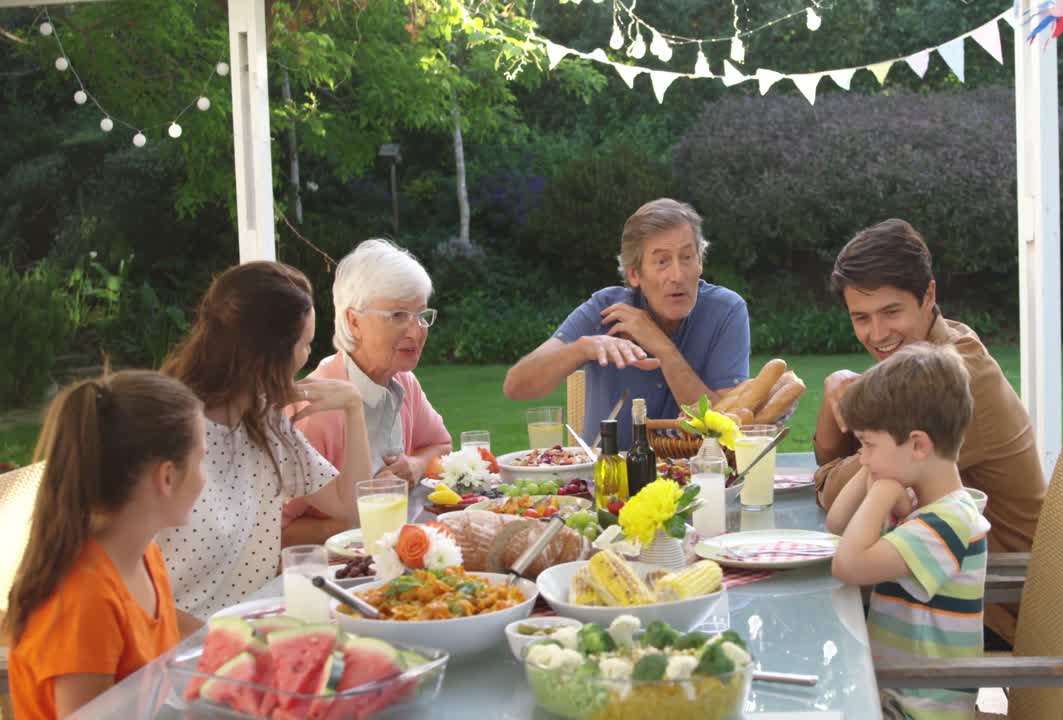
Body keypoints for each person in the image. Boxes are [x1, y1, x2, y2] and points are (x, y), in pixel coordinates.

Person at [813, 219, 1045, 645]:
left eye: (891, 312)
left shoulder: (952, 377)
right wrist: (836, 392)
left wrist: (842, 461)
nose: (877, 334)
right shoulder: (922, 361)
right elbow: (846, 472)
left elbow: (834, 488)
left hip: (991, 602)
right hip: (934, 579)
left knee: (809, 616)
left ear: (929, 297)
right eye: (860, 318)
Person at [157, 261, 371, 619]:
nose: (306, 356)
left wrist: (353, 407)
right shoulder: (166, 430)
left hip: (256, 621)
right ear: (267, 357)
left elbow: (349, 509)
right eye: (303, 345)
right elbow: (129, 586)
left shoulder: (264, 419)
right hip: (178, 645)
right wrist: (214, 639)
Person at [6, 371, 207, 719]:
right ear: (167, 477)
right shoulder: (84, 603)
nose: (205, 476)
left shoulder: (144, 555)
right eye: (201, 460)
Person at [503, 198, 750, 448]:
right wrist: (582, 348)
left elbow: (726, 430)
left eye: (687, 257)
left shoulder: (726, 311)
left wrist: (662, 348)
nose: (678, 275)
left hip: (700, 478)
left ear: (700, 262)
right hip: (610, 479)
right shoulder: (605, 309)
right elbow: (516, 387)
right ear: (634, 274)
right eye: (662, 261)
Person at [826, 343, 990, 720]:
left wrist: (882, 491)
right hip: (889, 691)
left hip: (916, 708)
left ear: (918, 444)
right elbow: (837, 525)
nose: (862, 458)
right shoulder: (922, 505)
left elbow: (846, 565)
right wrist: (875, 471)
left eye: (868, 445)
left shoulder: (947, 523)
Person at [285, 239, 452, 546]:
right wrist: (358, 524)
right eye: (398, 315)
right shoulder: (318, 412)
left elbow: (441, 445)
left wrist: (415, 467)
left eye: (421, 315)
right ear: (354, 320)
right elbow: (277, 530)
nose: (416, 331)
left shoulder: (404, 381)